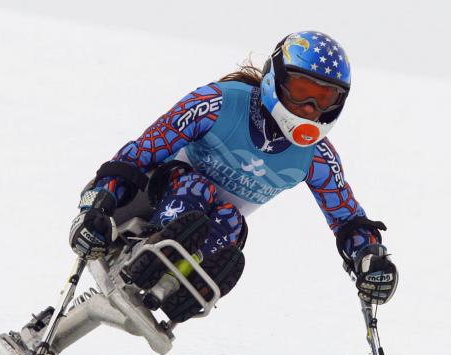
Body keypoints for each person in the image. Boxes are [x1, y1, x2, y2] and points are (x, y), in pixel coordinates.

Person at [68, 30, 398, 325]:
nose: (311, 109)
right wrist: (96, 202)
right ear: (275, 79)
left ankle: (174, 283)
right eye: (301, 92)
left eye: (325, 99)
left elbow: (348, 219)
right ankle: (149, 252)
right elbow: (138, 155)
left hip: (201, 232)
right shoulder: (217, 103)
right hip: (144, 202)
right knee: (197, 190)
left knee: (232, 222)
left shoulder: (317, 157)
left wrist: (369, 256)